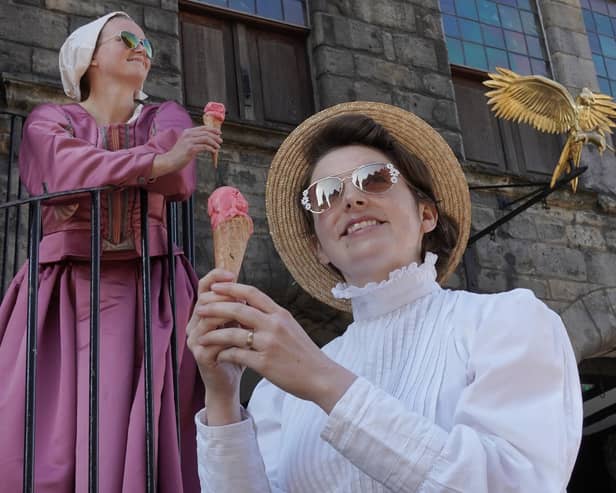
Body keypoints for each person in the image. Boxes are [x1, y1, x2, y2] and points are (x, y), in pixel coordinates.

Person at [187, 101, 583, 492]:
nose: (351, 199)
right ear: (319, 248)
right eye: (324, 194)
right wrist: (222, 396)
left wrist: (322, 381)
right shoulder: (277, 394)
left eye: (374, 177)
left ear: (426, 215)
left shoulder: (507, 322)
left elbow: (515, 484)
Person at [0, 11, 220, 493]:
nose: (142, 48)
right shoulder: (48, 117)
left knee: (164, 424)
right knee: (48, 438)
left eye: (147, 44)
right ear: (89, 56)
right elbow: (56, 170)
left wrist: (152, 163)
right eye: (126, 38)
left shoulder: (168, 115)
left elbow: (181, 179)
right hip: (63, 296)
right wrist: (155, 160)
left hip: (155, 293)